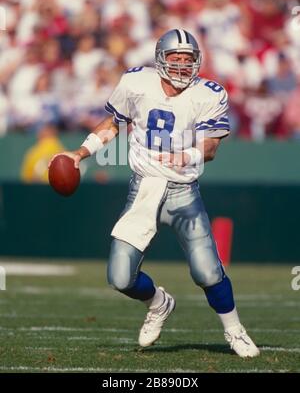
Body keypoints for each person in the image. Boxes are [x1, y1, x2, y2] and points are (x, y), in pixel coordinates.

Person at [49, 29, 259, 357]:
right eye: (174, 59)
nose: (181, 66)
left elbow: (211, 146)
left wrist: (185, 156)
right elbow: (112, 123)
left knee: (206, 271)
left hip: (183, 191)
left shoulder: (208, 93)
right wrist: (80, 153)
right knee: (120, 277)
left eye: (188, 60)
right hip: (144, 187)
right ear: (160, 59)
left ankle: (234, 330)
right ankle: (159, 303)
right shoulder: (135, 82)